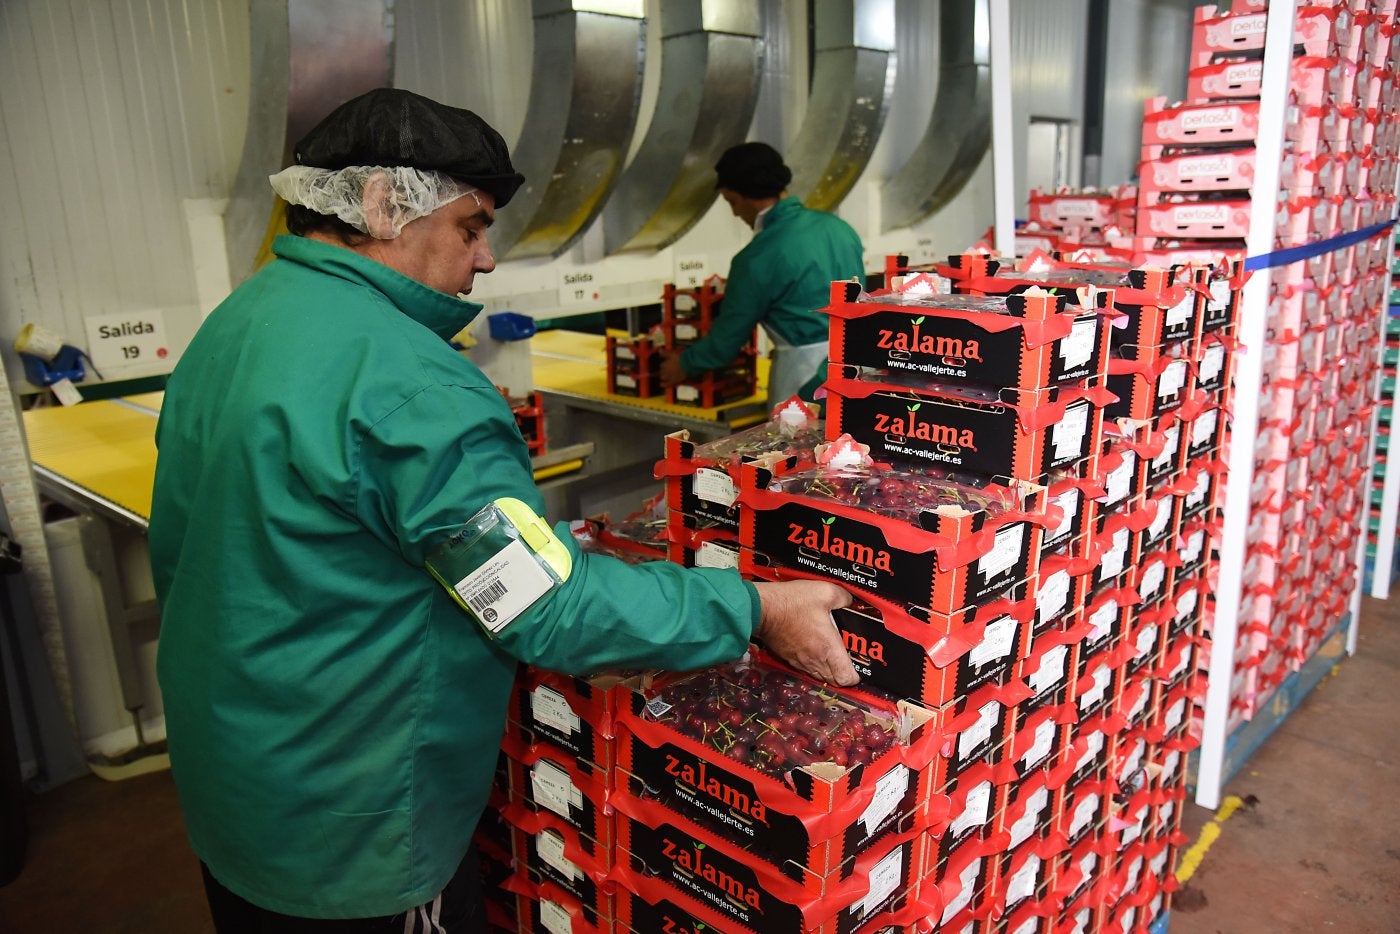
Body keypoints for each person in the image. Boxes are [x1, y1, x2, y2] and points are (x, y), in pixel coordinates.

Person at [147, 88, 856, 932]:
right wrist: (753, 607)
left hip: (238, 782)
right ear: (382, 205)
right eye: (471, 228)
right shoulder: (411, 386)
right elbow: (546, 605)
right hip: (355, 821)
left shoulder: (236, 324)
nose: (485, 260)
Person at [659, 141, 866, 404]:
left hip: (806, 379)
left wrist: (684, 364)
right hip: (857, 369)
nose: (735, 213)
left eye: (732, 201)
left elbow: (727, 340)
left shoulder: (755, 258)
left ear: (749, 197)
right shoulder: (839, 229)